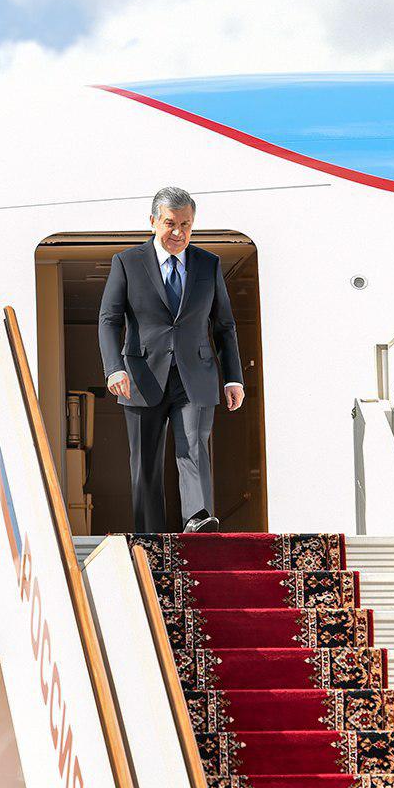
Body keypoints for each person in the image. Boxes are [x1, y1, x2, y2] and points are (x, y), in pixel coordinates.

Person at [98, 186, 244, 533]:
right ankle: (150, 534)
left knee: (193, 446)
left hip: (196, 374)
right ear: (153, 222)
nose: (178, 233)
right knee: (146, 461)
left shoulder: (209, 264)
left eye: (186, 225)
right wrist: (113, 369)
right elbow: (109, 319)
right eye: (170, 223)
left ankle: (197, 518)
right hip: (140, 375)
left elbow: (223, 324)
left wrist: (233, 377)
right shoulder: (127, 262)